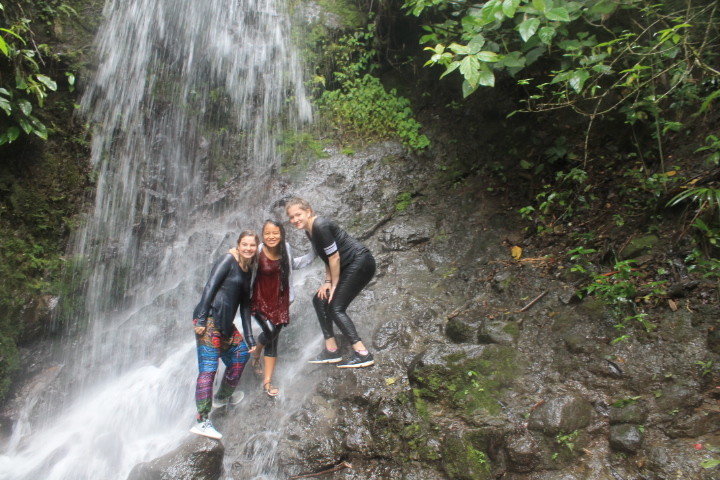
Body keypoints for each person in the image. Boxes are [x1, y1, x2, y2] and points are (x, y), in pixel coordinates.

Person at [285, 197, 376, 368]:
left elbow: (334, 257)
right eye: (291, 217)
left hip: (360, 262)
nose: (295, 220)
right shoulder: (309, 230)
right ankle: (332, 350)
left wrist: (334, 285)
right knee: (319, 299)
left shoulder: (320, 225)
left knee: (335, 307)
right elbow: (327, 256)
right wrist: (327, 282)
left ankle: (363, 354)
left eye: (298, 214)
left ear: (308, 211)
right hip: (348, 265)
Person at [190, 231, 258, 440]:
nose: (248, 248)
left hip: (226, 323)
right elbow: (210, 286)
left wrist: (250, 337)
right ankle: (202, 421)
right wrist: (201, 318)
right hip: (210, 320)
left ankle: (222, 397)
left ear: (256, 248)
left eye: (252, 245)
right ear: (238, 245)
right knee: (209, 369)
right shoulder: (228, 259)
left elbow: (245, 306)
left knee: (240, 355)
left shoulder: (247, 269)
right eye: (244, 244)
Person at [249, 219, 313, 396]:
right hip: (259, 300)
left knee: (273, 339)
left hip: (280, 302)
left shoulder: (286, 247)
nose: (271, 236)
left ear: (282, 234)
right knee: (270, 332)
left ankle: (267, 383)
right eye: (268, 233)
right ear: (262, 235)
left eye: (275, 233)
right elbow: (243, 263)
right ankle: (256, 355)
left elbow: (295, 265)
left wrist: (316, 250)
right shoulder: (258, 250)